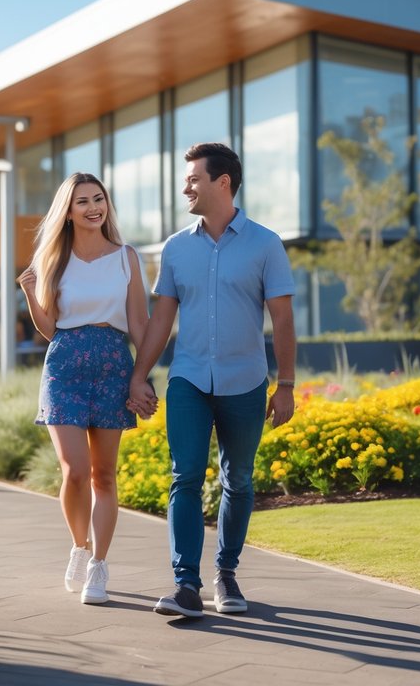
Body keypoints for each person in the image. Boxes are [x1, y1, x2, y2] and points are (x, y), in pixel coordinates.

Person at [127, 142, 296, 618]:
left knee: (238, 480)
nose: (186, 187)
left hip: (245, 382)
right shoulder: (176, 248)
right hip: (189, 380)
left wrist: (286, 385)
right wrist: (140, 375)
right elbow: (162, 320)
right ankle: (185, 584)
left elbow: (282, 318)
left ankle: (226, 574)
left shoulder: (265, 243)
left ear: (222, 182)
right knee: (183, 477)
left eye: (193, 179)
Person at [17, 172, 153, 606]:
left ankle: (99, 565)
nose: (94, 207)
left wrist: (142, 376)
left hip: (114, 361)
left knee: (104, 475)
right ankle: (79, 546)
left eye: (99, 199)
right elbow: (49, 327)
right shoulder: (52, 257)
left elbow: (140, 324)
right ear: (68, 211)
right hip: (65, 363)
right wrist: (30, 292)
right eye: (83, 202)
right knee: (74, 470)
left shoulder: (126, 257)